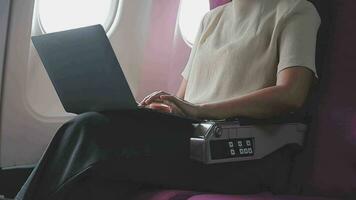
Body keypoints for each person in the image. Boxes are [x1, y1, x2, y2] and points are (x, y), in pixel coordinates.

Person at [16, 0, 321, 199]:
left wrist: (198, 110)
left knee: (92, 129)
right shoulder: (211, 20)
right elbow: (186, 96)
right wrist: (167, 109)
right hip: (191, 137)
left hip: (236, 150)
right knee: (93, 164)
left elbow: (291, 94)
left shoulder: (295, 10)